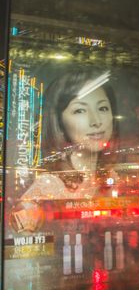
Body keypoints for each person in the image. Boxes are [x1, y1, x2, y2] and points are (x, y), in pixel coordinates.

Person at [10, 68, 118, 233]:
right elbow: (25, 237)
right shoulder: (49, 185)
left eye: (102, 108)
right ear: (59, 122)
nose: (96, 121)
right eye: (80, 110)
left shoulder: (112, 176)